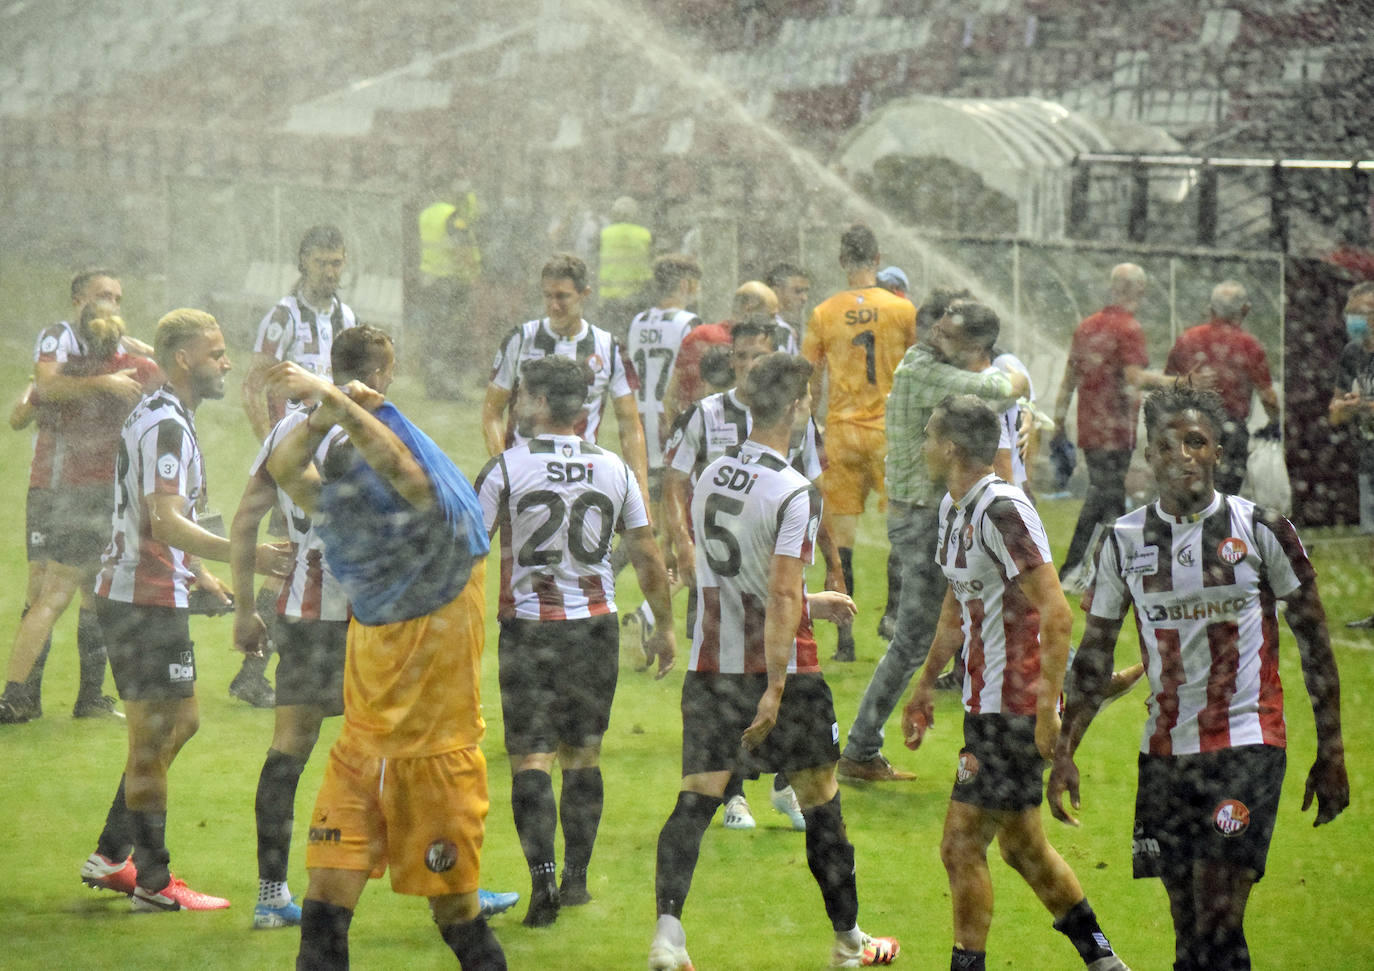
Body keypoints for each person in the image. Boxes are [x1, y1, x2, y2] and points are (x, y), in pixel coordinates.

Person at [1049, 386, 1349, 971]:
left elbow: (1315, 644)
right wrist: (1066, 748)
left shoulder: (1262, 529)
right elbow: (1094, 656)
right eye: (1167, 444)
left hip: (1247, 744)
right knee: (1190, 928)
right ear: (1149, 455)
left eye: (1196, 442)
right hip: (1164, 753)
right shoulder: (1121, 541)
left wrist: (1331, 750)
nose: (1182, 455)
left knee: (1217, 917)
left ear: (1216, 452)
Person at [648, 351, 899, 970]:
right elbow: (781, 592)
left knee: (694, 802)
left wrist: (811, 601)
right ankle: (848, 944)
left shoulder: (711, 477)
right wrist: (777, 688)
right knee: (822, 804)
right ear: (798, 406)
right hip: (779, 672)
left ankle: (667, 937)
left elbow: (742, 583)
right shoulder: (793, 491)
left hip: (712, 670)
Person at [263, 350, 507, 970]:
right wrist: (325, 413)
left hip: (437, 764)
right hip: (360, 754)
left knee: (457, 919)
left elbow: (402, 470)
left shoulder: (434, 526)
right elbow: (286, 464)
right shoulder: (371, 520)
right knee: (322, 910)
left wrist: (336, 402)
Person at [901, 395, 1129, 971]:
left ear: (951, 447)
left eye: (929, 436)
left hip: (1015, 707)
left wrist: (1050, 708)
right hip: (986, 702)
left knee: (961, 845)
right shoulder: (956, 510)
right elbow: (958, 605)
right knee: (1024, 849)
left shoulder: (1003, 508)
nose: (923, 446)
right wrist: (926, 684)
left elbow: (1056, 611)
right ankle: (1104, 962)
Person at [78, 309, 291, 911]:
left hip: (152, 592)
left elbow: (167, 523)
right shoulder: (166, 425)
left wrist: (202, 575)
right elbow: (164, 520)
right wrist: (243, 554)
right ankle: (152, 881)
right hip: (139, 599)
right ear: (183, 359)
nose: (226, 363)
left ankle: (111, 854)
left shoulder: (168, 416)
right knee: (151, 741)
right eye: (216, 353)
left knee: (182, 722)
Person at [476, 355, 675, 927]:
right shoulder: (614, 469)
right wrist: (663, 625)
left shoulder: (506, 469)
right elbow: (645, 552)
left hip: (529, 630)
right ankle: (578, 879)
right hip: (594, 630)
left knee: (530, 757)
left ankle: (541, 878)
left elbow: (468, 546)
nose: (515, 407)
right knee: (583, 755)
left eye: (522, 397)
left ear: (539, 402)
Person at [836, 296, 1026, 783]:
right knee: (916, 639)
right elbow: (997, 391)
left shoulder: (928, 364)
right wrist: (1016, 380)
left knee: (1008, 592)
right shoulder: (925, 368)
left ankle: (1076, 678)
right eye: (939, 327)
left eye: (948, 332)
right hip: (923, 520)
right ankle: (858, 750)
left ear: (977, 345)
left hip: (932, 514)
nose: (935, 335)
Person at [663, 318, 838, 832]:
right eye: (742, 357)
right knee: (747, 682)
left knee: (744, 685)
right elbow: (675, 481)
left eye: (759, 357)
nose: (750, 366)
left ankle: (782, 786)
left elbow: (812, 491)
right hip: (725, 588)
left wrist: (832, 567)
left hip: (765, 586)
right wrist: (684, 545)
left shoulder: (771, 454)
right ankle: (735, 794)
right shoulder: (705, 417)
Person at [1, 269, 146, 722]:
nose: (111, 303)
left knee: (87, 589)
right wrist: (99, 385)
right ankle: (23, 695)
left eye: (117, 297)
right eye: (103, 294)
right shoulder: (59, 338)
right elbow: (38, 394)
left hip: (88, 488)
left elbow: (29, 404)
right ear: (78, 298)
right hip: (55, 483)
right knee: (46, 586)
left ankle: (82, 697)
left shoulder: (115, 346)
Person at [237, 225, 357, 709]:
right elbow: (253, 386)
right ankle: (255, 668)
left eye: (337, 263)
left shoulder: (345, 315)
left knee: (300, 558)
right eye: (323, 262)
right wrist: (274, 451)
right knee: (290, 558)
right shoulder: (283, 317)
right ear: (303, 261)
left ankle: (268, 666)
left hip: (332, 453)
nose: (331, 272)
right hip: (294, 456)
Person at [802, 223, 917, 661]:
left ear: (841, 261)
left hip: (842, 433)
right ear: (877, 258)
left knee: (841, 538)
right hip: (890, 433)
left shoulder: (825, 312)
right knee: (900, 530)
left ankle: (845, 640)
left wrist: (810, 425)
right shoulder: (902, 310)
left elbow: (809, 375)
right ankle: (891, 613)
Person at [1052, 263, 1191, 590]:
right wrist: (1179, 382)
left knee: (1110, 501)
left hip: (1090, 427)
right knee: (1103, 498)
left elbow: (1069, 379)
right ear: (1139, 292)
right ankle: (1074, 571)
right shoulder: (1129, 328)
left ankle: (1125, 570)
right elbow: (1135, 379)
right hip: (1115, 430)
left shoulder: (1087, 326)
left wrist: (1059, 420)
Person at [481, 253, 649, 500]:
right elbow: (491, 412)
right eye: (547, 296)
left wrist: (641, 491)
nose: (554, 305)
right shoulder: (520, 339)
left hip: (580, 478)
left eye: (562, 296)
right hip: (523, 477)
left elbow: (630, 425)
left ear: (585, 294)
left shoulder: (609, 347)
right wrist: (503, 468)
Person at [1164, 281, 1280, 494]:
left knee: (1192, 491)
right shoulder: (1249, 345)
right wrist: (1275, 423)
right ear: (1245, 309)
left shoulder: (1188, 339)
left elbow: (1167, 385)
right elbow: (1268, 397)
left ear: (1210, 309)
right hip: (1231, 430)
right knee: (1225, 494)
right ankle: (1219, 526)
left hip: (1190, 427)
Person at [626, 253, 703, 525]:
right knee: (677, 518)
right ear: (685, 284)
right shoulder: (690, 323)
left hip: (640, 423)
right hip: (671, 422)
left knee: (650, 516)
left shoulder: (638, 322)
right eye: (696, 283)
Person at [663, 280, 779, 430]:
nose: (775, 322)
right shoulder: (708, 337)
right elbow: (674, 393)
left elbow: (671, 396)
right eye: (772, 315)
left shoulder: (699, 334)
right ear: (749, 307)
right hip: (710, 432)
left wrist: (677, 433)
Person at [1330, 281, 1374, 629]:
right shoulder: (1352, 353)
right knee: (1372, 540)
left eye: (1363, 312)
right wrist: (1349, 407)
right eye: (1352, 313)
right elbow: (1334, 411)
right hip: (1368, 455)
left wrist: (1364, 407)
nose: (1356, 320)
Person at [415, 175, 483, 400]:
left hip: (430, 281)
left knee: (434, 335)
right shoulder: (452, 215)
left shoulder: (427, 214)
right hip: (450, 283)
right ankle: (450, 386)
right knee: (452, 336)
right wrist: (472, 275)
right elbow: (461, 248)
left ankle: (433, 383)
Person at [597, 195, 653, 339]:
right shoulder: (644, 235)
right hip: (635, 298)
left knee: (608, 339)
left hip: (609, 298)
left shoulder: (605, 234)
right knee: (633, 338)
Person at [765, 261, 811, 351]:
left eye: (806, 291)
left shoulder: (788, 329)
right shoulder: (776, 330)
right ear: (775, 292)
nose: (804, 298)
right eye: (797, 291)